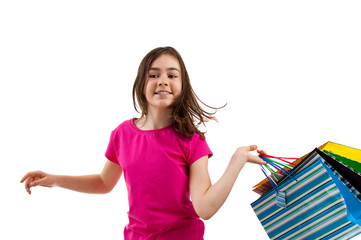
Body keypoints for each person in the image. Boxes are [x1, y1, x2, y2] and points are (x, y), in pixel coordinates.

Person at [20, 46, 266, 240]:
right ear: (141, 84)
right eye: (153, 75)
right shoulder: (122, 134)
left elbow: (204, 208)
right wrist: (55, 180)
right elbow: (104, 182)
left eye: (172, 74)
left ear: (182, 87)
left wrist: (237, 160)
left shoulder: (191, 140)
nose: (162, 80)